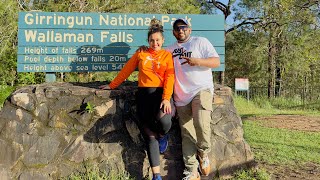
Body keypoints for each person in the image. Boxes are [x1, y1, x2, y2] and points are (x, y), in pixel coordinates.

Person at [99, 18, 174, 180]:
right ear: (148, 41)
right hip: (144, 98)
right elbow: (126, 70)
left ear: (163, 41)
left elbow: (170, 77)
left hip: (161, 96)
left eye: (158, 40)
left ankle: (163, 135)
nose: (155, 43)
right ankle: (157, 176)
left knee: (165, 122)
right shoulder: (141, 53)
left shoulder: (167, 56)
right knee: (149, 135)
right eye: (152, 40)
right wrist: (112, 85)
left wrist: (167, 98)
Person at [166, 18, 220, 180]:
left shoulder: (200, 42)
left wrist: (196, 61)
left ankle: (203, 152)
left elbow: (216, 61)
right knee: (187, 134)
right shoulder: (169, 50)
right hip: (181, 96)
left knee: (202, 124)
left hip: (201, 90)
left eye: (183, 27)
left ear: (189, 29)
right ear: (173, 32)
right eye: (176, 28)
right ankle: (191, 170)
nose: (180, 30)